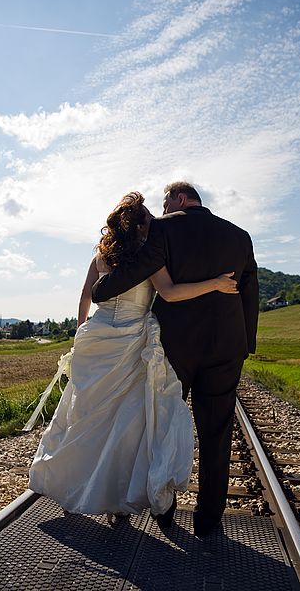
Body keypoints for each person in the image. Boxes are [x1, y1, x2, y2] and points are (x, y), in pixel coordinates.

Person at [28, 191, 239, 523]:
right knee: (123, 424)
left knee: (83, 416)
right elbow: (170, 293)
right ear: (142, 226)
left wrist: (81, 335)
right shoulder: (150, 258)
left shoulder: (101, 258)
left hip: (97, 340)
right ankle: (115, 498)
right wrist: (214, 283)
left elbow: (86, 296)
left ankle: (70, 485)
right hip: (129, 343)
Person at [92, 182, 259, 538]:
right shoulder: (240, 236)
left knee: (163, 425)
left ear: (180, 198)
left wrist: (101, 289)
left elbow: (141, 269)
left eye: (166, 201)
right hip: (226, 348)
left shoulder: (164, 229)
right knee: (217, 432)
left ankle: (163, 508)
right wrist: (246, 344)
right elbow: (249, 294)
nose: (163, 208)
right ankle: (209, 520)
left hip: (176, 347)